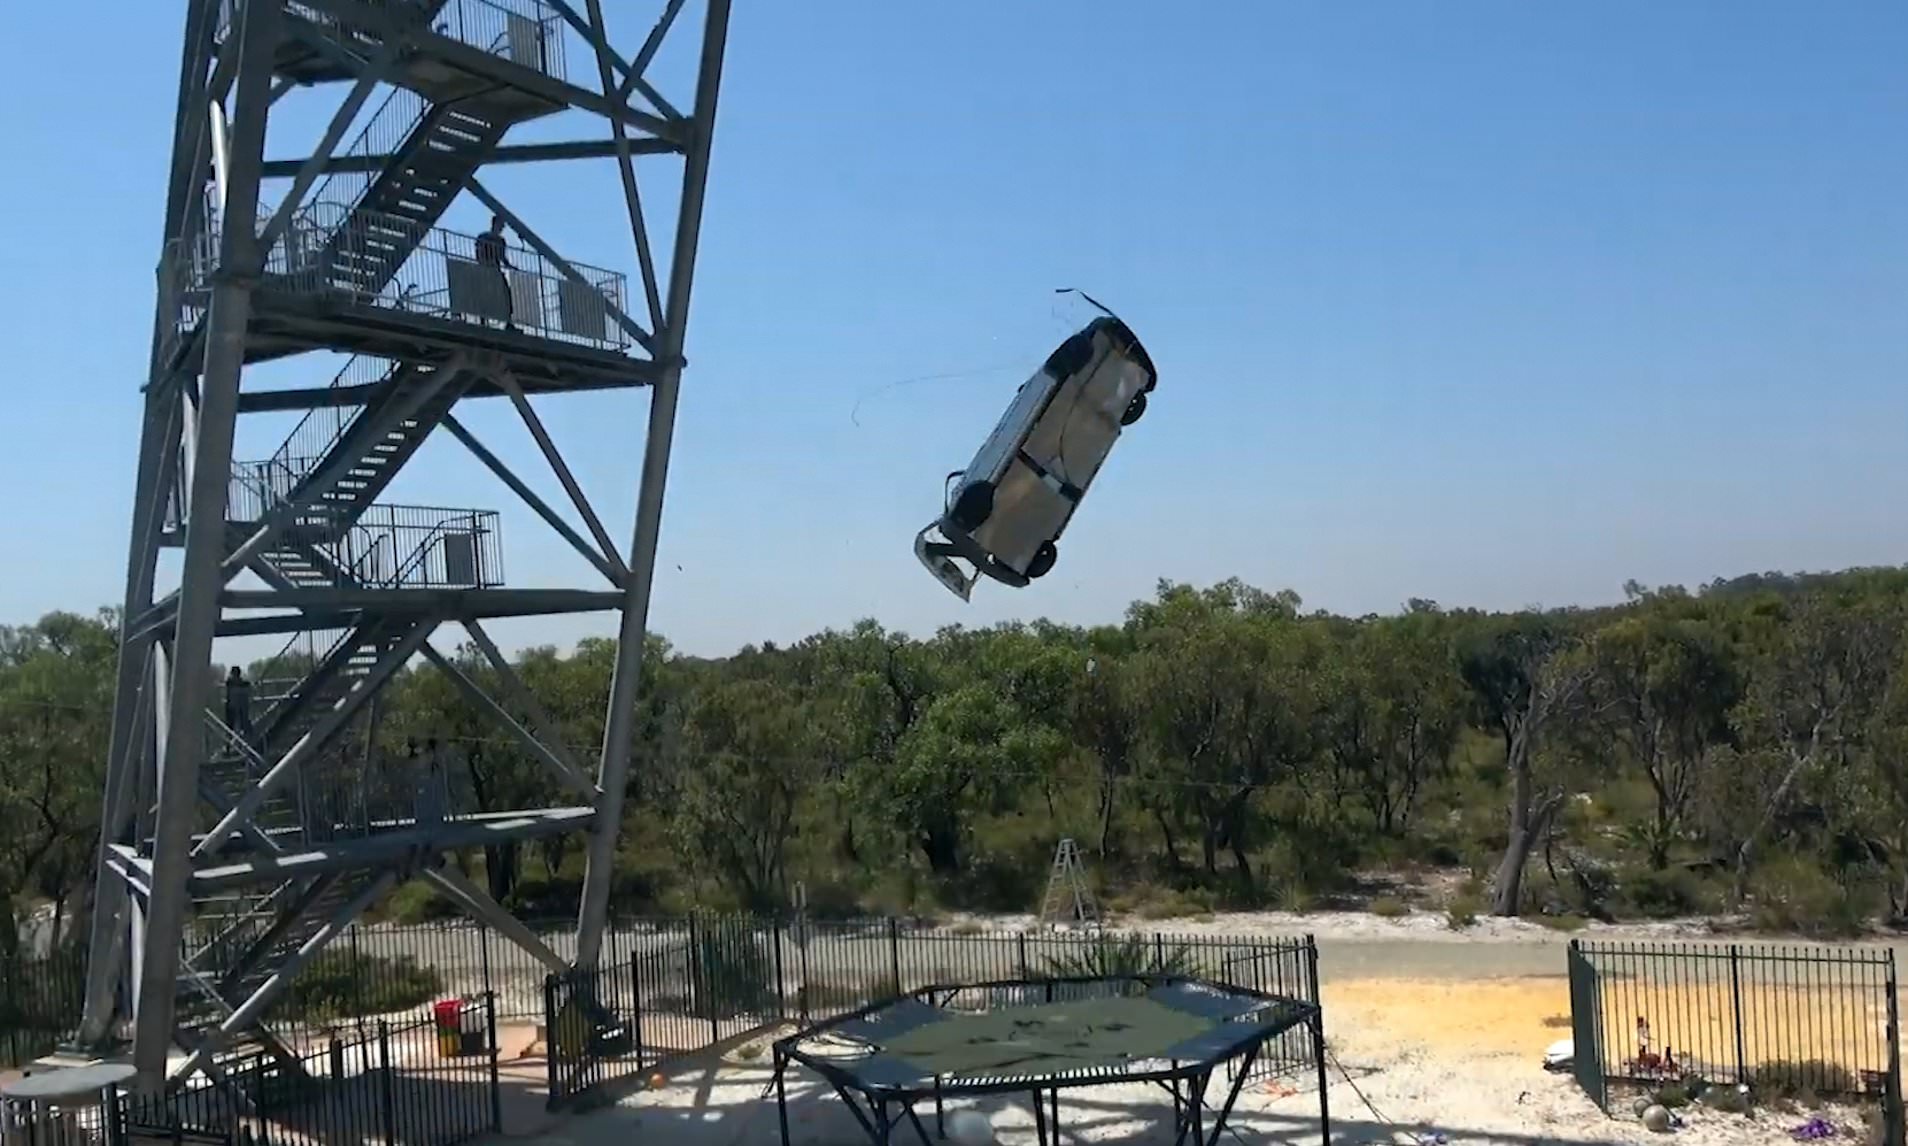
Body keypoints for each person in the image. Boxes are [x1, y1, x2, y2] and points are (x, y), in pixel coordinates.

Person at [474, 214, 516, 330]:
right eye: (501, 225)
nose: (502, 228)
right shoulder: (483, 237)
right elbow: (479, 254)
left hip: (496, 270)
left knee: (505, 293)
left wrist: (511, 266)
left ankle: (509, 321)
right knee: (483, 295)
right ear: (495, 224)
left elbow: (502, 258)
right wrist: (485, 263)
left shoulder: (501, 241)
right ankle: (482, 320)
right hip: (485, 269)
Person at [223, 666, 254, 744]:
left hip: (234, 708)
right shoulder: (234, 683)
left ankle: (233, 745)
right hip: (235, 708)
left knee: (234, 727)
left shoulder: (232, 683)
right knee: (235, 727)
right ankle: (232, 745)